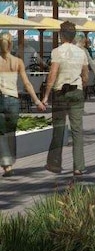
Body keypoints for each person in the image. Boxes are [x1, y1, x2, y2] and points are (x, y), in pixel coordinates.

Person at [44, 21, 89, 176]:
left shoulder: (57, 52)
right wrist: (81, 87)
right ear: (74, 35)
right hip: (76, 92)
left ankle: (54, 164)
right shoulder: (81, 52)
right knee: (77, 130)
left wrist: (45, 96)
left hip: (60, 93)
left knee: (59, 129)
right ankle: (78, 166)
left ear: (61, 34)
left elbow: (52, 75)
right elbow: (86, 76)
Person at [0, 33, 46, 177]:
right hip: (14, 101)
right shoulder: (18, 62)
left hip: (0, 100)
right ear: (11, 45)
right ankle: (10, 160)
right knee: (10, 132)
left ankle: (6, 165)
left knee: (1, 133)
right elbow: (27, 84)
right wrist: (37, 101)